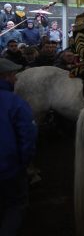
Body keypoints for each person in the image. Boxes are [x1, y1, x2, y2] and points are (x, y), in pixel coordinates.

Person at [0, 58, 38, 235]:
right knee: (15, 206)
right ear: (7, 76)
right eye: (14, 75)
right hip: (9, 170)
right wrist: (24, 163)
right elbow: (28, 138)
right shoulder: (15, 103)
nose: (16, 79)